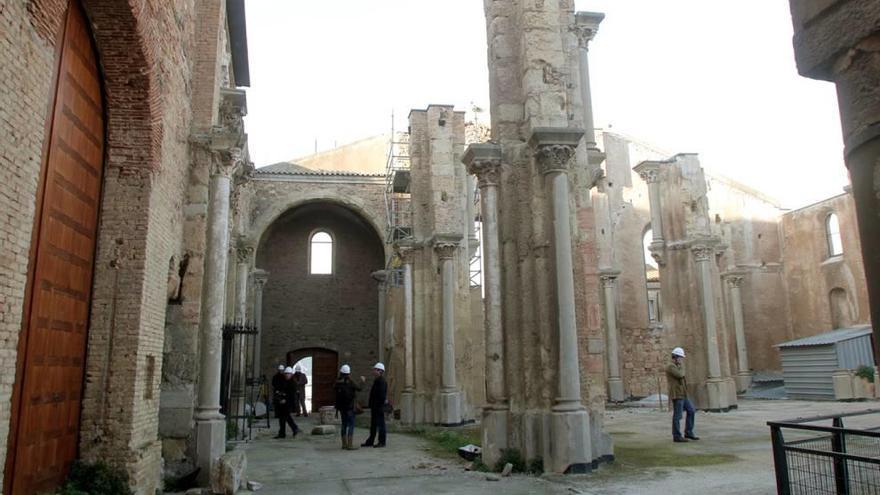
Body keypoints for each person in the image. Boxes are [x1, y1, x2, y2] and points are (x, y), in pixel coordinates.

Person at [666, 347, 699, 443]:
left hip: (683, 394)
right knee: (678, 415)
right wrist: (682, 368)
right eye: (680, 357)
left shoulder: (678, 366)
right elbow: (680, 375)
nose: (681, 359)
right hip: (677, 394)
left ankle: (688, 432)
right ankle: (676, 435)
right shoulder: (671, 367)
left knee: (691, 410)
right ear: (675, 357)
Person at [334, 364, 362, 450]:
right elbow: (359, 388)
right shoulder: (350, 382)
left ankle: (344, 444)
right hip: (350, 407)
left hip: (341, 408)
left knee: (344, 425)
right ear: (348, 373)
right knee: (351, 425)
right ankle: (350, 445)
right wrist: (362, 381)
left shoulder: (337, 383)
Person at [361, 362, 388, 448]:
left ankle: (382, 441)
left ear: (379, 371)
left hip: (378, 407)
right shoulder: (377, 381)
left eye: (375, 370)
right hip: (375, 406)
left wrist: (377, 405)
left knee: (381, 425)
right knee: (373, 424)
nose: (373, 371)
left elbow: (381, 396)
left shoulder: (381, 382)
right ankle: (370, 440)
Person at [273, 366, 301, 439]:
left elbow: (292, 394)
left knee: (285, 417)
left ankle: (292, 429)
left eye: (288, 374)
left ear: (291, 374)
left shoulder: (292, 383)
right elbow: (279, 390)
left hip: (288, 403)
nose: (287, 375)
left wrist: (285, 399)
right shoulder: (283, 381)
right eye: (286, 374)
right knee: (283, 418)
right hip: (281, 403)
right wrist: (279, 397)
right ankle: (287, 431)